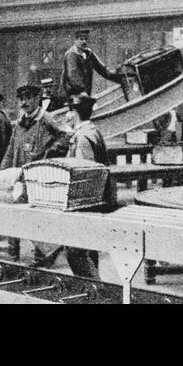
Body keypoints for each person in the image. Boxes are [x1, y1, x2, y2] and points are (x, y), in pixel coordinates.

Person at [65, 92, 113, 280]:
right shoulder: (93, 131)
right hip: (99, 200)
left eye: (69, 111)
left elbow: (84, 174)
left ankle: (93, 291)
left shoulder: (82, 138)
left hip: (86, 203)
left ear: (74, 113)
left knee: (75, 252)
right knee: (88, 251)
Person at [0, 84, 70, 170]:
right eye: (21, 99)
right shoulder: (19, 124)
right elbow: (10, 152)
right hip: (20, 172)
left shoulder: (46, 118)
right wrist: (1, 172)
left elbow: (66, 136)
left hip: (39, 172)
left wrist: (49, 153)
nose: (24, 103)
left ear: (37, 99)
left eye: (28, 98)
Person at [59, 29, 124, 99]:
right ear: (75, 40)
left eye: (86, 39)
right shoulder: (71, 55)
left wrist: (119, 76)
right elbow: (73, 76)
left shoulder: (89, 53)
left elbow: (102, 69)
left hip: (84, 95)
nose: (84, 41)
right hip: (72, 95)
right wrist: (81, 91)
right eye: (81, 39)